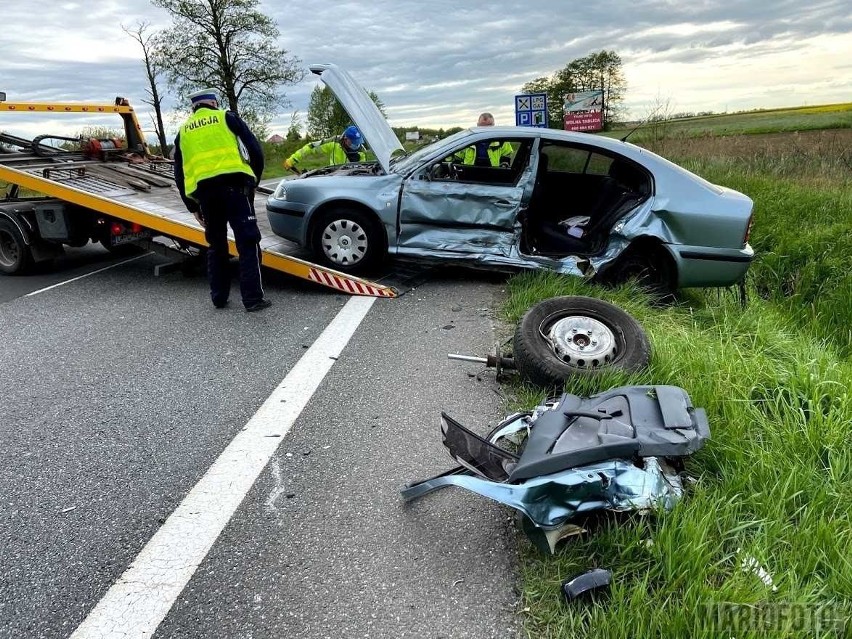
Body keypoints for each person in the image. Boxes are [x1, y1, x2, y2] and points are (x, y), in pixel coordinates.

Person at [173, 88, 271, 312]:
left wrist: (192, 206)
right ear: (214, 103)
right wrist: (253, 180)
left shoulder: (183, 132)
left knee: (216, 246)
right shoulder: (226, 117)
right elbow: (255, 151)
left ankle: (219, 297)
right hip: (235, 190)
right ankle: (253, 299)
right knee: (247, 242)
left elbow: (179, 173)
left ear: (194, 107)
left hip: (206, 196)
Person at [283, 125, 366, 171]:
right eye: (353, 142)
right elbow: (311, 147)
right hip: (334, 178)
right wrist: (293, 159)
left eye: (358, 142)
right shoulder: (334, 142)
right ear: (345, 138)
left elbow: (362, 168)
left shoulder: (361, 150)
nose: (356, 145)